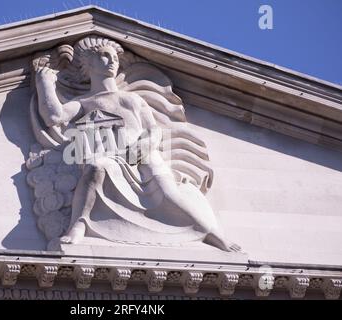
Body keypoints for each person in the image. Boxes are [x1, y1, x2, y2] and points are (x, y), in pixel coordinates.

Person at [33, 36, 241, 252]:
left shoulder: (132, 99)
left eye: (114, 56)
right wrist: (44, 84)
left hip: (143, 154)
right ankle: (79, 224)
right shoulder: (84, 103)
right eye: (103, 56)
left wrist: (145, 145)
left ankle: (211, 232)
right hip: (111, 156)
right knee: (96, 168)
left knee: (168, 193)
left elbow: (153, 130)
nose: (111, 60)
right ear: (87, 64)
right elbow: (54, 117)